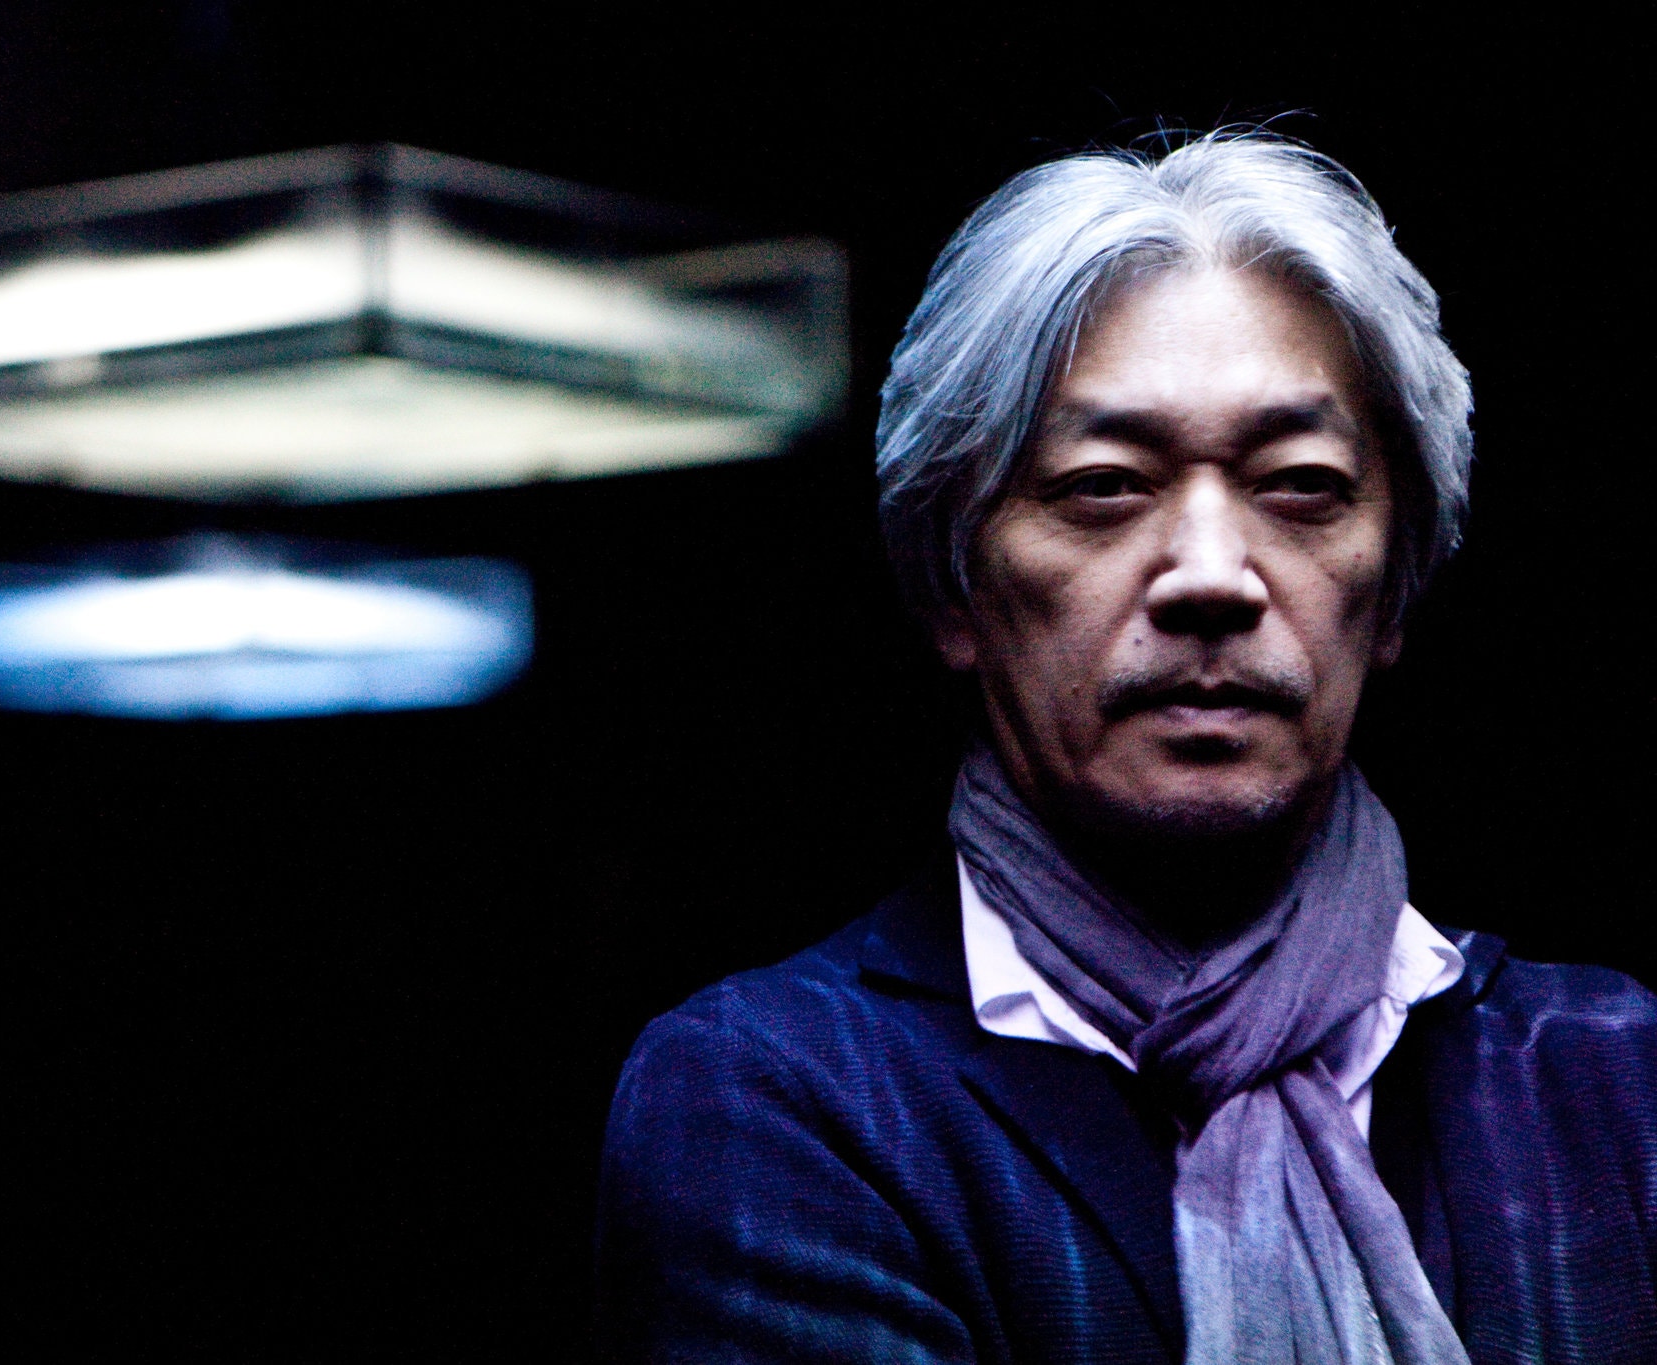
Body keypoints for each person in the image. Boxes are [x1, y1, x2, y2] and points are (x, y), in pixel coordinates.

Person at [594, 132, 1657, 1364]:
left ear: (1396, 588)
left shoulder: (1614, 1082)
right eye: (1100, 486)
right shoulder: (781, 1097)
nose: (1209, 576)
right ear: (951, 586)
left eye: (1300, 485)